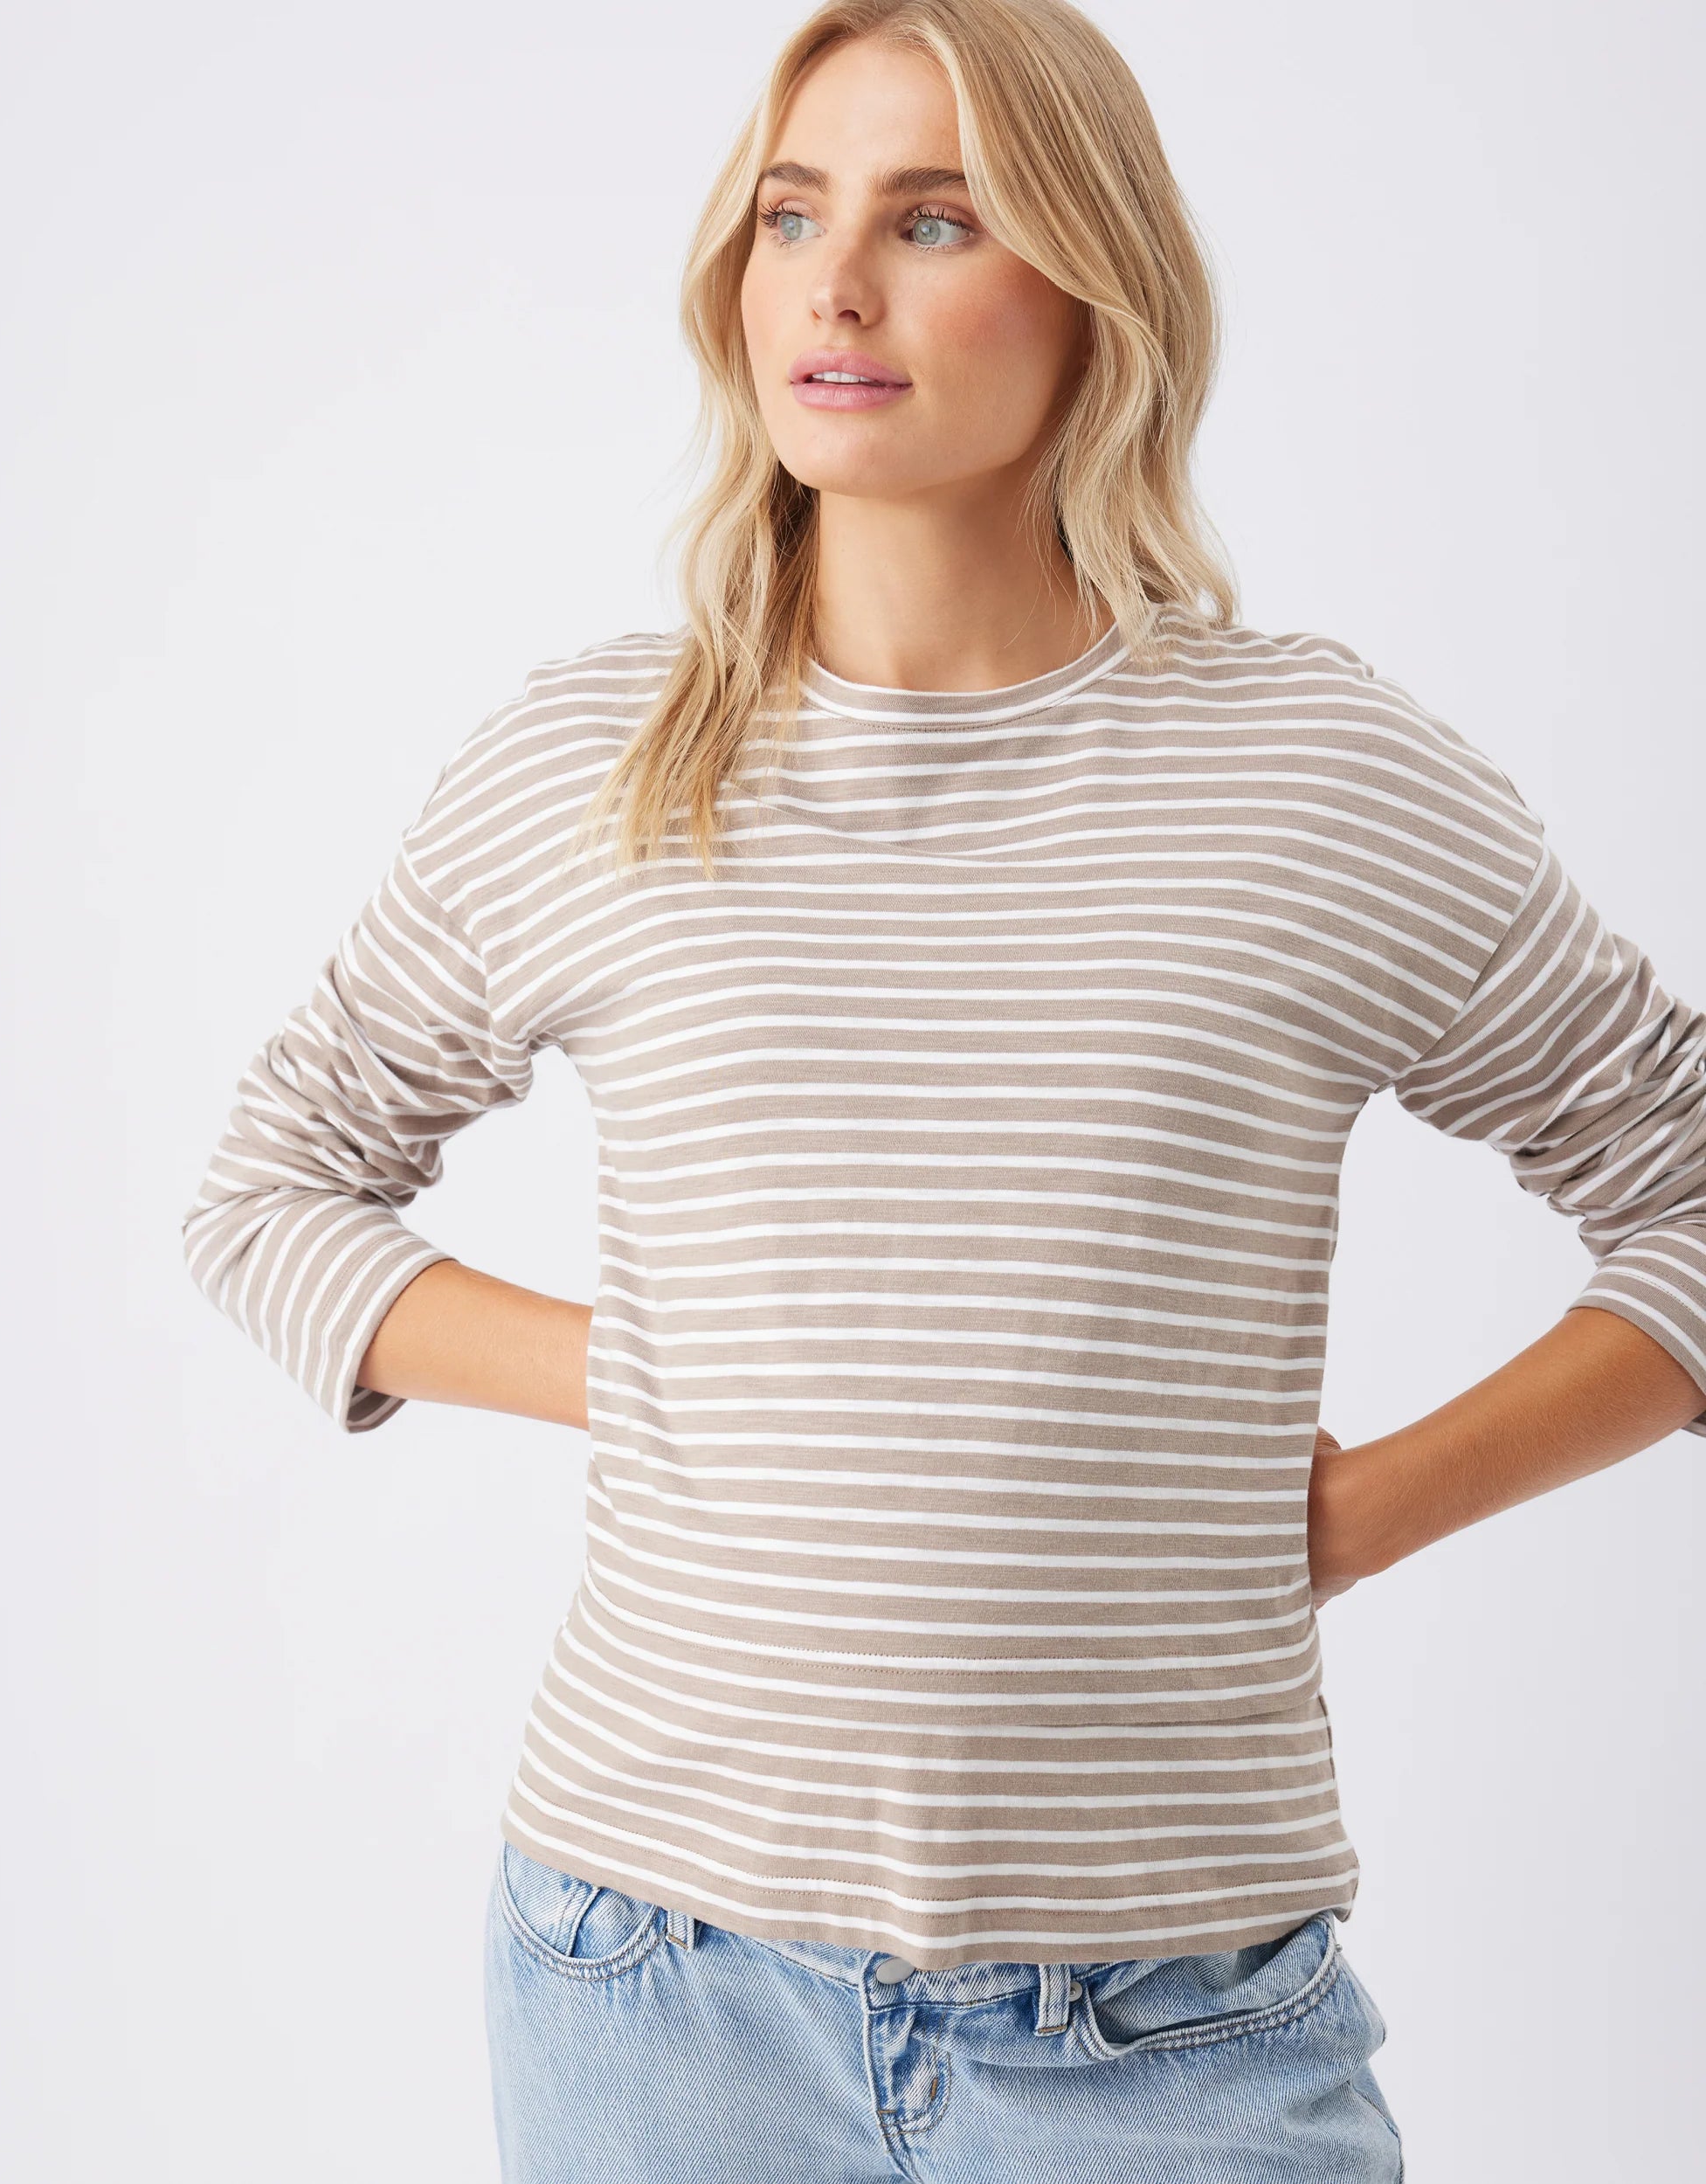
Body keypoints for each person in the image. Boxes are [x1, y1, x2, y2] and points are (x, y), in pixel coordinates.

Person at [179, 2, 1706, 2176]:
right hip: (654, 1986)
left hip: (1167, 2024)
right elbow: (269, 1190)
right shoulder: (594, 763)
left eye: (933, 219)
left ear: (1095, 284)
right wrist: (652, 1365)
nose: (834, 284)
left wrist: (1373, 1504)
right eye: (789, 214)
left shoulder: (1311, 779)